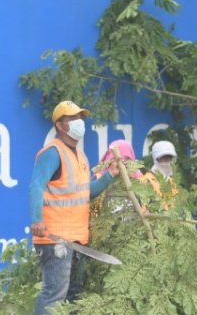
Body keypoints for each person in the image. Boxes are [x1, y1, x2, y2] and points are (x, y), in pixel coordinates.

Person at [29, 100, 116, 315]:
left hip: (76, 241)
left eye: (81, 118)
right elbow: (35, 186)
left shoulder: (80, 156)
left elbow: (86, 193)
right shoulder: (52, 152)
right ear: (60, 125)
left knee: (73, 295)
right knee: (54, 295)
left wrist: (110, 175)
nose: (79, 123)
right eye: (73, 119)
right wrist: (36, 219)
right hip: (55, 239)